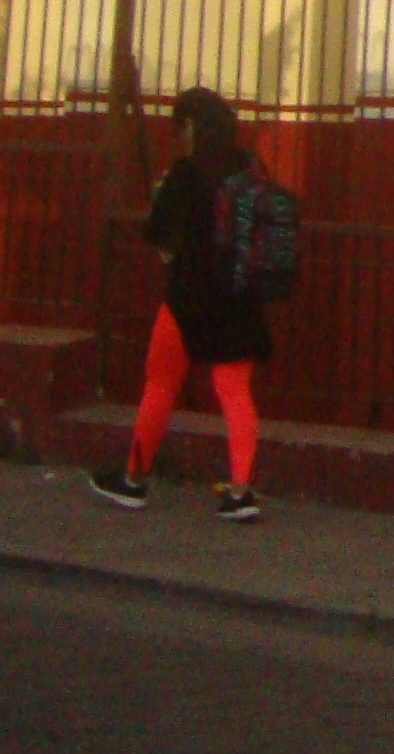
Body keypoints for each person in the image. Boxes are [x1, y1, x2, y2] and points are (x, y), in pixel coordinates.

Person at [90, 85, 274, 522]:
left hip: (189, 295)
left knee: (160, 384)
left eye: (179, 127)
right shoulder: (251, 169)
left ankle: (134, 479)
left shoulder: (185, 173)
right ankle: (241, 491)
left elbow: (156, 232)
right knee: (235, 391)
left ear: (190, 126)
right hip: (240, 294)